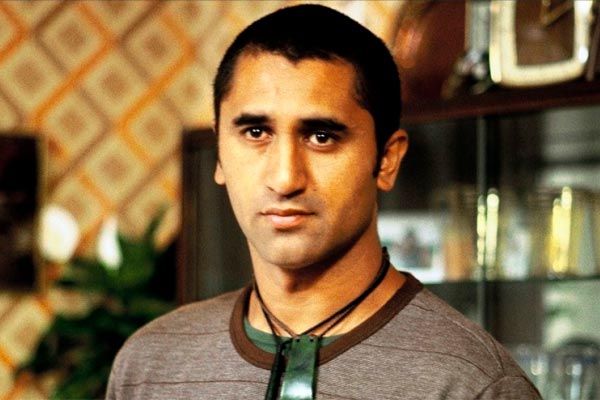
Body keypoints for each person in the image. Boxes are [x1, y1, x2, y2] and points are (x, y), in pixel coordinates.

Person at [106, 4, 541, 399]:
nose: (284, 178)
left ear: (387, 160)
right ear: (220, 153)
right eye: (256, 132)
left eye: (321, 136)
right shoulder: (150, 365)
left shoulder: (472, 384)